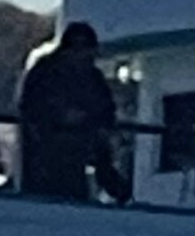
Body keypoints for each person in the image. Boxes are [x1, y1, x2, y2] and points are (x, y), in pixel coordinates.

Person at [18, 22, 123, 202]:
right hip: (43, 156)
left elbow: (106, 112)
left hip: (78, 155)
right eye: (78, 48)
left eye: (87, 50)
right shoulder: (44, 72)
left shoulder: (94, 78)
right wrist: (60, 117)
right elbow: (30, 107)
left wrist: (102, 132)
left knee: (73, 199)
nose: (82, 55)